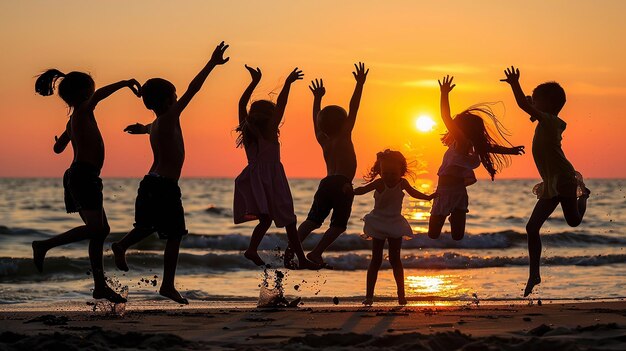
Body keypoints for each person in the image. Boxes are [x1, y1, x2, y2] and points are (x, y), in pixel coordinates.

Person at [112, 41, 230, 304]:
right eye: (174, 97)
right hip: (165, 185)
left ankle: (122, 246)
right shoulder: (168, 117)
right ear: (167, 101)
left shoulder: (155, 124)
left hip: (150, 183)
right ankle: (166, 285)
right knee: (174, 234)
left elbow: (149, 128)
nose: (178, 99)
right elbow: (194, 89)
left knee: (148, 226)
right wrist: (211, 63)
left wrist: (139, 128)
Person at [32, 69, 141, 303]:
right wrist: (124, 82)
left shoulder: (74, 120)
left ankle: (100, 286)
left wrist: (66, 137)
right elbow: (100, 95)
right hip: (83, 176)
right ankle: (44, 245)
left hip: (82, 176)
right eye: (91, 89)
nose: (94, 92)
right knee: (96, 230)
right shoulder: (83, 111)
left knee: (101, 230)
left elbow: (58, 148)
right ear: (84, 93)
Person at [501, 66, 590, 297]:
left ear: (548, 105)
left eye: (537, 101)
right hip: (551, 182)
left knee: (573, 222)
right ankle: (534, 274)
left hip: (564, 179)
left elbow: (524, 105)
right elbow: (530, 108)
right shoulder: (546, 120)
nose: (533, 105)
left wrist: (514, 85)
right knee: (532, 227)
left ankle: (584, 198)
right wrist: (532, 104)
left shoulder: (550, 121)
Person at [233, 64, 319, 270]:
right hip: (272, 177)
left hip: (254, 177)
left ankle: (252, 249)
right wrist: (288, 83)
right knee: (289, 219)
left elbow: (241, 104)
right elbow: (281, 105)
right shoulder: (269, 131)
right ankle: (301, 258)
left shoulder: (248, 130)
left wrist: (253, 82)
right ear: (271, 117)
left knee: (265, 219)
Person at [284, 63, 369, 268]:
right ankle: (316, 253)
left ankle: (290, 250)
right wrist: (359, 84)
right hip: (342, 184)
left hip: (326, 183)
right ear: (343, 122)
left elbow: (315, 120)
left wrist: (317, 99)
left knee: (313, 220)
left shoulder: (322, 138)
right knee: (338, 226)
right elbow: (354, 107)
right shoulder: (344, 134)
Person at [429, 75, 525, 241]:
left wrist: (444, 93)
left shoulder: (464, 142)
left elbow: (446, 117)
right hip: (443, 193)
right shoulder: (461, 143)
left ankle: (454, 216)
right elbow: (489, 147)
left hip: (459, 192)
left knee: (458, 236)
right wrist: (511, 151)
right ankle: (453, 216)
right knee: (433, 234)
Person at [354, 150, 437, 306]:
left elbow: (414, 193)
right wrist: (349, 191)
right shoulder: (379, 183)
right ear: (380, 171)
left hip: (395, 223)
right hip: (378, 222)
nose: (389, 176)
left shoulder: (402, 183)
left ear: (401, 172)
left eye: (393, 173)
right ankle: (369, 297)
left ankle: (401, 296)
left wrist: (428, 197)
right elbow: (362, 190)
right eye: (385, 173)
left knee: (395, 259)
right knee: (376, 260)